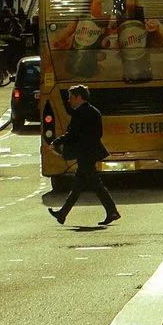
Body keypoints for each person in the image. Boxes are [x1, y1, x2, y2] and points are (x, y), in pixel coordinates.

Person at [49, 85, 117, 226]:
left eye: (71, 97)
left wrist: (57, 142)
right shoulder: (94, 111)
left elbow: (72, 133)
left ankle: (112, 211)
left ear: (79, 97)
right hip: (89, 152)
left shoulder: (81, 113)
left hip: (85, 153)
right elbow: (98, 134)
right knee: (79, 185)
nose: (69, 100)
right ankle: (62, 214)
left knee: (95, 185)